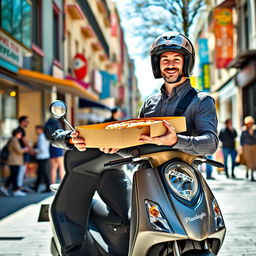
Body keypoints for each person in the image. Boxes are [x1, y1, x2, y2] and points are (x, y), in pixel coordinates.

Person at [66, 32, 218, 254]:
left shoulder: (201, 101)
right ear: (158, 65)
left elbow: (210, 142)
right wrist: (117, 147)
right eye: (164, 60)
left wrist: (177, 140)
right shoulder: (150, 104)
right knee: (140, 233)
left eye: (176, 59)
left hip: (181, 180)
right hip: (148, 179)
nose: (170, 65)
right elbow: (136, 143)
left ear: (186, 62)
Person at [0, 128, 29, 196]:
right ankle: (15, 190)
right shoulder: (14, 140)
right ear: (16, 134)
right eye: (20, 134)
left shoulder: (13, 140)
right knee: (14, 175)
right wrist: (25, 149)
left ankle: (5, 188)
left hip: (15, 161)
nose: (21, 135)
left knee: (13, 175)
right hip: (14, 161)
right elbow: (19, 150)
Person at [30, 125, 51, 193]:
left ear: (40, 129)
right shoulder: (44, 136)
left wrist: (34, 151)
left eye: (37, 129)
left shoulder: (41, 137)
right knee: (40, 173)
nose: (36, 131)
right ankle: (36, 187)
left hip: (42, 157)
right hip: (44, 156)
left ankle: (47, 188)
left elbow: (41, 149)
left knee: (44, 173)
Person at [44, 117, 65, 184]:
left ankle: (52, 184)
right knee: (61, 166)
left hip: (51, 146)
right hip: (58, 145)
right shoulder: (57, 124)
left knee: (53, 167)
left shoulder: (46, 125)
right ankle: (63, 183)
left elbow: (46, 137)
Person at [17, 115, 33, 190]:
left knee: (22, 170)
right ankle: (19, 187)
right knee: (21, 170)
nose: (28, 123)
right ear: (22, 122)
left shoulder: (21, 129)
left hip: (22, 152)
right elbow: (24, 141)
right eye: (27, 122)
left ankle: (19, 186)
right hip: (22, 153)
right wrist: (30, 150)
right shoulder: (20, 130)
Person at [240, 116, 256, 181]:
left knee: (253, 161)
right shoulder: (244, 130)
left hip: (253, 147)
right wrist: (241, 146)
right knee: (247, 160)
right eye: (248, 123)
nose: (249, 124)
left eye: (250, 123)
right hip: (246, 147)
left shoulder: (254, 129)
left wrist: (252, 134)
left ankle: (252, 174)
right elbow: (242, 139)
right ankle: (247, 171)